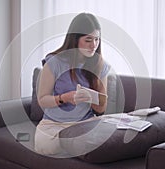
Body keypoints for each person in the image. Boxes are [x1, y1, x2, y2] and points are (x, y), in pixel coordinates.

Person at [34, 12, 110, 156]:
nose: (93, 45)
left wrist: (91, 98)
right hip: (54, 124)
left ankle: (76, 144)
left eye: (97, 39)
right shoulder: (54, 62)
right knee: (46, 146)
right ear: (75, 39)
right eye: (88, 40)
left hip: (84, 123)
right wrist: (64, 98)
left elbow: (101, 108)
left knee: (109, 134)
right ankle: (75, 145)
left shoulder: (100, 65)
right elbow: (42, 100)